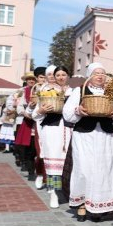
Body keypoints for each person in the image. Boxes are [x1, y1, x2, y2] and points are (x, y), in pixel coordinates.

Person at [63, 63, 113, 222]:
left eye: (102, 73)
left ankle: (101, 205)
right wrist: (78, 111)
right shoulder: (80, 90)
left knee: (104, 170)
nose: (100, 76)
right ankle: (82, 204)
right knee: (84, 168)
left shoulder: (111, 92)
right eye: (96, 73)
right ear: (89, 75)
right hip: (85, 136)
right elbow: (67, 114)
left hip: (106, 136)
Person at [32, 66, 72, 209]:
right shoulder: (47, 92)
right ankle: (54, 193)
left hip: (69, 130)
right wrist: (41, 110)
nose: (61, 77)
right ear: (54, 77)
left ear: (68, 76)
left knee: (69, 162)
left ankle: (68, 191)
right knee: (53, 164)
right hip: (52, 131)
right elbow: (35, 114)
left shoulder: (73, 92)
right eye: (58, 75)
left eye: (63, 74)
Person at [15, 71, 38, 179]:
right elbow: (19, 107)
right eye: (29, 79)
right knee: (27, 147)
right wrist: (24, 113)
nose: (31, 81)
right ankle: (30, 171)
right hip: (28, 121)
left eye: (33, 79)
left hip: (39, 121)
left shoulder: (40, 90)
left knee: (37, 149)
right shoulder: (23, 91)